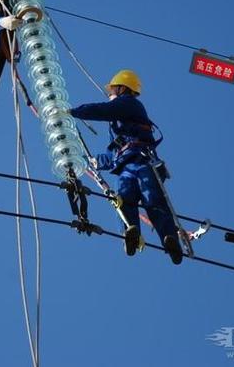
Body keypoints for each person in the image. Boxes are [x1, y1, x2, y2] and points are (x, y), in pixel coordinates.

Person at [69, 69, 183, 264]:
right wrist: (85, 160)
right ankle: (132, 232)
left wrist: (74, 112)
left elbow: (103, 110)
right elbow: (113, 156)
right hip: (126, 166)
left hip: (143, 161)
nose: (110, 94)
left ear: (123, 88)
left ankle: (169, 238)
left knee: (152, 198)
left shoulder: (130, 104)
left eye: (112, 90)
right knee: (124, 199)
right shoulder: (118, 125)